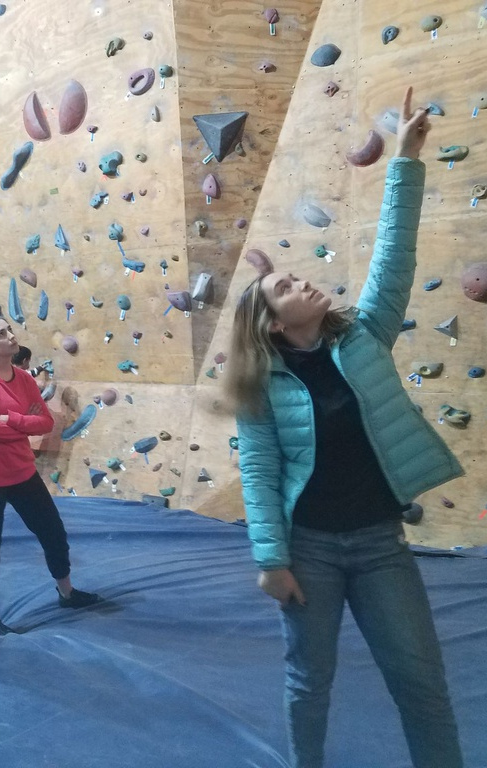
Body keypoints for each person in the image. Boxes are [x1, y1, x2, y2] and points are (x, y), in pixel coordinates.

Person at [228, 88, 463, 768]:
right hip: (311, 552)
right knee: (310, 683)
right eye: (287, 287)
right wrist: (271, 561)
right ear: (273, 325)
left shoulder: (362, 337)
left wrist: (405, 161)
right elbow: (260, 471)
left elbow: (394, 257)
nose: (301, 282)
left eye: (297, 278)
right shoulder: (260, 386)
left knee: (422, 683)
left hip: (380, 543)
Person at [0, 316, 100, 637]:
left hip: (22, 471)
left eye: (9, 330)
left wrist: (11, 418)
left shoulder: (24, 379)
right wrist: (21, 424)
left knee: (53, 531)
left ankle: (66, 592)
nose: (12, 336)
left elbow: (45, 424)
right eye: (2, 333)